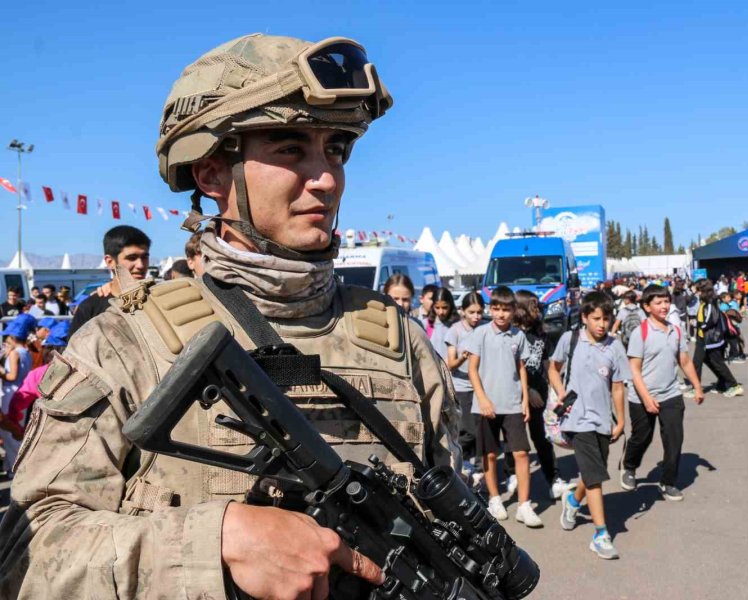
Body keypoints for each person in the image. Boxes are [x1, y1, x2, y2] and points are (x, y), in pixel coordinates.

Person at [0, 33, 456, 599]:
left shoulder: (401, 343)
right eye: (290, 149)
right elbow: (27, 553)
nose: (327, 178)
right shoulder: (124, 344)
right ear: (212, 173)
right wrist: (213, 544)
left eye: (335, 148)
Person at [550, 292, 627, 559]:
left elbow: (617, 387)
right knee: (595, 478)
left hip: (602, 420)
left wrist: (621, 419)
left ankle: (572, 502)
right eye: (596, 318)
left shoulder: (615, 347)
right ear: (584, 318)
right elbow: (553, 367)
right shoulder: (570, 339)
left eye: (606, 319)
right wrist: (560, 390)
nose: (601, 324)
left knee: (593, 471)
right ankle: (601, 534)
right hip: (576, 419)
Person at [465, 285, 541, 527]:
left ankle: (524, 505)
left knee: (520, 452)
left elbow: (521, 368)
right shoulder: (480, 334)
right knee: (489, 454)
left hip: (512, 404)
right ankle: (495, 498)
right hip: (486, 406)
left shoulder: (518, 336)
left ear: (513, 310)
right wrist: (483, 399)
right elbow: (472, 370)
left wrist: (525, 400)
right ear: (490, 309)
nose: (500, 314)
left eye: (505, 310)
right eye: (496, 309)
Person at [621, 285, 704, 502]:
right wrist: (647, 399)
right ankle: (629, 466)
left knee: (674, 439)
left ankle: (668, 482)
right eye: (658, 303)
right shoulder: (641, 332)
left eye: (666, 301)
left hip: (671, 393)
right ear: (647, 307)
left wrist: (697, 386)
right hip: (641, 396)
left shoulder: (676, 330)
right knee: (642, 438)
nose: (664, 306)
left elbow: (684, 361)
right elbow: (634, 370)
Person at [510, 290, 569, 500]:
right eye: (534, 306)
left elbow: (546, 364)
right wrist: (528, 391)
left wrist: (552, 388)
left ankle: (553, 479)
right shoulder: (512, 335)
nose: (539, 310)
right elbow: (510, 370)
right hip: (516, 396)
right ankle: (513, 474)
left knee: (542, 438)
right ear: (521, 309)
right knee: (514, 441)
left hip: (539, 396)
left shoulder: (540, 333)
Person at [69, 225, 151, 337]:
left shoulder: (157, 299)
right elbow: (73, 352)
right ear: (110, 262)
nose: (140, 265)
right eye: (132, 258)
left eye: (144, 257)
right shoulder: (90, 308)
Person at [445, 292, 486, 479]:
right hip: (462, 388)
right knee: (467, 430)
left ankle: (479, 468)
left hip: (482, 386)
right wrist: (463, 357)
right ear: (463, 311)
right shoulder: (455, 331)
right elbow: (450, 364)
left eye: (479, 312)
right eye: (471, 312)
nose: (476, 316)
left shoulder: (485, 328)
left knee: (481, 431)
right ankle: (461, 462)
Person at [691, 281, 743, 397]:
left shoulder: (710, 303)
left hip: (710, 338)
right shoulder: (705, 301)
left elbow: (711, 320)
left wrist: (699, 325)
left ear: (704, 291)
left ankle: (734, 385)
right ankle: (722, 383)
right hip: (703, 336)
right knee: (704, 360)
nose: (696, 292)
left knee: (715, 362)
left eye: (698, 290)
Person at [0, 315, 34, 473]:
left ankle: (16, 468)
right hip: (23, 391)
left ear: (13, 337)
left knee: (10, 431)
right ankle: (11, 465)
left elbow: (11, 376)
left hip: (11, 393)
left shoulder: (14, 353)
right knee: (16, 427)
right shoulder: (26, 352)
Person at [427, 287, 458, 361]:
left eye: (444, 307)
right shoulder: (427, 324)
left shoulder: (458, 325)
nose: (441, 312)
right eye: (437, 307)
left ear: (451, 305)